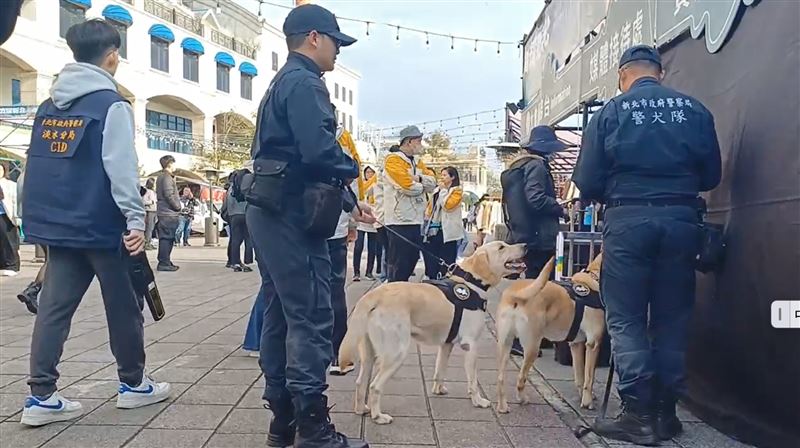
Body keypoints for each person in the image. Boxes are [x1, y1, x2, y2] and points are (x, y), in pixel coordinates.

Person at [18, 19, 171, 427]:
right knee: (123, 307)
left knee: (53, 309)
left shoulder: (48, 107)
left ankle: (41, 396)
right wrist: (135, 219)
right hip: (105, 227)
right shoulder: (111, 105)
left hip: (60, 226)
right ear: (112, 56)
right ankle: (133, 384)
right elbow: (120, 168)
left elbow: (35, 167)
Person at [573, 45, 722, 445]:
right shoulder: (694, 111)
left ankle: (638, 415)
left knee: (626, 319)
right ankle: (665, 414)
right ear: (660, 73)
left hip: (628, 220)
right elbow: (711, 176)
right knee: (672, 317)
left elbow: (587, 181)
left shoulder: (610, 113)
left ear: (623, 76)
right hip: (681, 221)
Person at [245, 4, 372, 447]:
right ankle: (313, 430)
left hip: (273, 208)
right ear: (314, 37)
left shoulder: (283, 81)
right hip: (293, 214)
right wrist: (351, 167)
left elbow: (294, 154)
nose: (339, 51)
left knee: (280, 314)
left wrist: (349, 200)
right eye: (336, 41)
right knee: (312, 316)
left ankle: (283, 423)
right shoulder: (305, 82)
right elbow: (318, 152)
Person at [501, 125, 569, 356]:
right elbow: (536, 198)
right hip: (540, 236)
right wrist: (559, 208)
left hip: (526, 234)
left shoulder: (519, 166)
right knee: (537, 289)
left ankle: (530, 336)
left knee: (531, 286)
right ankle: (522, 339)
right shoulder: (537, 166)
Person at [383, 126, 437, 282]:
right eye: (418, 140)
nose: (421, 144)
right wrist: (422, 186)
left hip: (415, 219)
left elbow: (433, 183)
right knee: (398, 263)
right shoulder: (393, 160)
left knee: (412, 259)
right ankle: (393, 291)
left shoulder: (418, 162)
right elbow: (407, 187)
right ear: (409, 141)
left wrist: (418, 179)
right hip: (399, 220)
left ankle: (402, 290)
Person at [422, 166, 463, 279]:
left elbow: (448, 206)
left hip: (448, 231)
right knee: (432, 255)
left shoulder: (457, 191)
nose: (442, 177)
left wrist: (444, 191)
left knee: (447, 257)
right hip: (434, 228)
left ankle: (444, 277)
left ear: (452, 177)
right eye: (442, 175)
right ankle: (432, 276)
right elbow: (431, 207)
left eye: (445, 175)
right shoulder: (437, 190)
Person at [352, 166, 381, 281]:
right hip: (362, 219)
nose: (369, 174)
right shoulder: (361, 186)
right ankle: (356, 272)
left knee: (372, 248)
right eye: (367, 172)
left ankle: (369, 272)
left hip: (373, 219)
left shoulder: (377, 185)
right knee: (358, 247)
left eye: (371, 172)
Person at [155, 155, 181, 271]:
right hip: (168, 213)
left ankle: (165, 260)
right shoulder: (167, 177)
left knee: (167, 238)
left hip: (165, 212)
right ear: (170, 164)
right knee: (166, 238)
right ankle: (164, 262)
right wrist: (177, 206)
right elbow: (168, 194)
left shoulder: (161, 177)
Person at [222, 183, 252, 272]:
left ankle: (235, 263)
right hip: (246, 214)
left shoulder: (230, 189)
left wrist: (227, 216)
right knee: (248, 238)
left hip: (234, 216)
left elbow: (225, 205)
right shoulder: (246, 185)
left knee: (235, 240)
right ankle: (247, 261)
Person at [0, 162, 20, 276]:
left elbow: (15, 201)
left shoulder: (10, 185)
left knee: (9, 241)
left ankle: (12, 265)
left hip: (6, 216)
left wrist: (17, 216)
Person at [141, 178, 157, 250]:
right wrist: (151, 202)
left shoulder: (153, 192)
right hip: (149, 211)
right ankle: (146, 243)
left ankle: (149, 242)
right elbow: (144, 201)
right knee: (149, 228)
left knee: (151, 228)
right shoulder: (147, 191)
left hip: (154, 210)